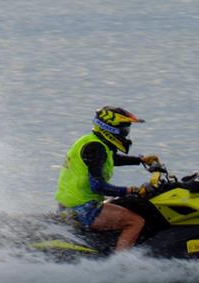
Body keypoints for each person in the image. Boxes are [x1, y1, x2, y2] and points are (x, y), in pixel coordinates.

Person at [55, 106, 160, 251]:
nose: (126, 135)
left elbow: (110, 159)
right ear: (110, 129)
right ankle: (120, 263)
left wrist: (140, 160)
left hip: (71, 203)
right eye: (124, 130)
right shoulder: (96, 148)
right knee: (135, 221)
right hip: (82, 207)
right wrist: (133, 190)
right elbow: (98, 186)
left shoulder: (92, 142)